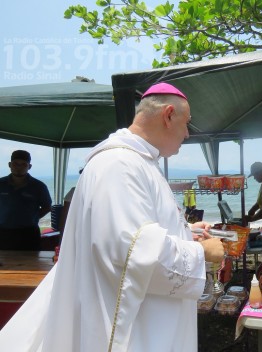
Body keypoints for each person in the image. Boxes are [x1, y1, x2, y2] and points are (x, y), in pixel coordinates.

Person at [0, 83, 225, 351]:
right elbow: (129, 250)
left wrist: (184, 229)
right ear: (167, 115)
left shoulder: (137, 162)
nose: (187, 134)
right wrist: (202, 252)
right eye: (186, 123)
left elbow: (138, 226)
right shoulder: (120, 165)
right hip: (137, 330)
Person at [0, 150, 52, 250]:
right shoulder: (1, 184)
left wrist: (33, 217)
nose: (19, 168)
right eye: (15, 164)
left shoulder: (39, 186)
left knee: (31, 263)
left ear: (29, 166)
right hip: (3, 233)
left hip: (29, 234)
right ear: (10, 165)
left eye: (23, 164)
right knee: (3, 264)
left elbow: (47, 207)